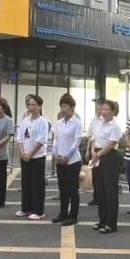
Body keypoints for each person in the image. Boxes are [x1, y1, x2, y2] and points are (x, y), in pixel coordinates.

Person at [89, 100, 123, 233]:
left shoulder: (115, 126)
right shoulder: (98, 124)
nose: (104, 112)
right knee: (100, 191)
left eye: (107, 110)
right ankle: (102, 220)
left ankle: (111, 224)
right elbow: (93, 139)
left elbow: (111, 144)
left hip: (109, 158)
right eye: (102, 109)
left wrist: (98, 154)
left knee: (110, 191)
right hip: (97, 156)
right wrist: (93, 151)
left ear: (113, 111)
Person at [51, 94, 83, 226]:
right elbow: (55, 139)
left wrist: (67, 156)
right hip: (60, 160)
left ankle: (73, 215)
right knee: (62, 188)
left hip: (72, 161)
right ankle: (63, 213)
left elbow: (77, 141)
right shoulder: (59, 123)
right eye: (61, 106)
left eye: (65, 106)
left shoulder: (77, 123)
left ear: (72, 107)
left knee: (72, 189)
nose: (63, 109)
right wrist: (55, 154)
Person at [18, 94, 50, 220]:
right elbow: (20, 138)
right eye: (29, 104)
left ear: (39, 106)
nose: (30, 107)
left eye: (33, 105)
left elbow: (41, 140)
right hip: (25, 156)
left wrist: (30, 153)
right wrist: (22, 153)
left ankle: (38, 211)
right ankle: (26, 208)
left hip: (37, 157)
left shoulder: (43, 122)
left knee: (37, 184)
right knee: (26, 183)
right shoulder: (25, 121)